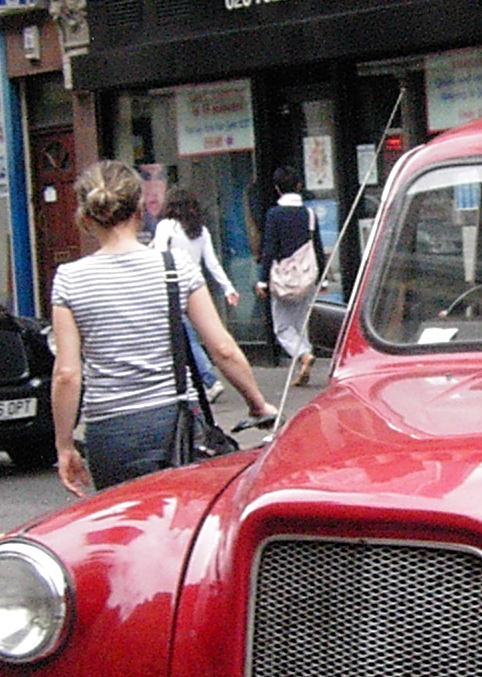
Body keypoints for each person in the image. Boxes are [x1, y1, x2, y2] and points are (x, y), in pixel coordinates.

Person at [49, 160, 274, 495]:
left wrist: (64, 445)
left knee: (123, 524)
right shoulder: (175, 267)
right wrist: (257, 403)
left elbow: (67, 374)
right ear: (140, 208)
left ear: (85, 217)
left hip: (109, 433)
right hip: (173, 424)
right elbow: (222, 348)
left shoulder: (69, 279)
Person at [152, 186, 239, 396]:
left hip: (171, 287)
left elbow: (159, 256)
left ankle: (209, 379)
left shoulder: (166, 226)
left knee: (186, 336)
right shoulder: (201, 231)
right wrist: (228, 287)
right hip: (196, 287)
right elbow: (212, 263)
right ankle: (196, 378)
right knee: (199, 333)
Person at [257, 166, 325, 388]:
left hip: (284, 280)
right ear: (298, 186)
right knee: (300, 324)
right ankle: (304, 364)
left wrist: (262, 281)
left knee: (283, 327)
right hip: (307, 279)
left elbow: (269, 249)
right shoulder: (309, 214)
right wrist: (322, 279)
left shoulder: (274, 215)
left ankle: (304, 355)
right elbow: (317, 248)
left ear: (277, 189)